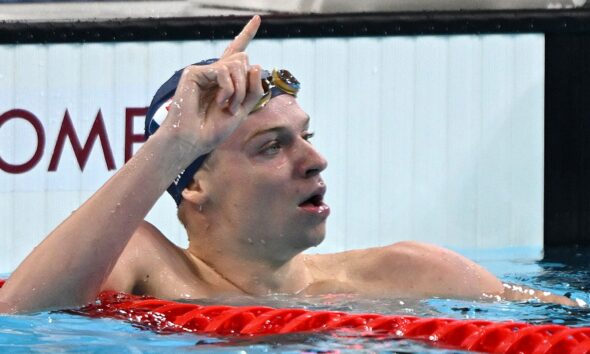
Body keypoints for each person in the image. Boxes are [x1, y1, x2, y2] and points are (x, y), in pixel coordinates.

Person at [0, 16, 577, 314]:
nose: (316, 159)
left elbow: (565, 323)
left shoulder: (410, 274)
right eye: (272, 146)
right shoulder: (149, 266)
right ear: (195, 185)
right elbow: (20, 315)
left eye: (306, 137)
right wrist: (169, 146)